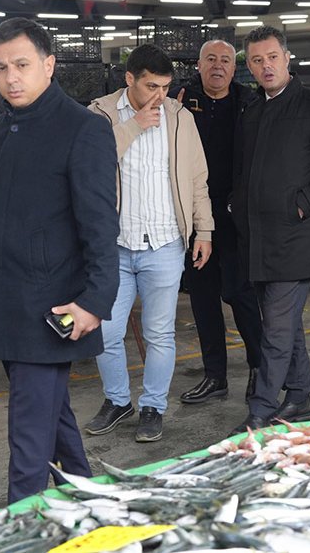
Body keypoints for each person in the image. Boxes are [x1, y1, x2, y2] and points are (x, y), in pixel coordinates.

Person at [0, 17, 120, 503]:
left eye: (22, 65)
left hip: (53, 307)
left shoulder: (83, 129)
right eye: (1, 68)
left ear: (49, 65)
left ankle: (21, 525)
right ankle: (90, 501)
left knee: (28, 437)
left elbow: (101, 227)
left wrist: (95, 302)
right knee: (52, 416)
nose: (11, 78)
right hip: (5, 300)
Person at [85, 44, 213, 443]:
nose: (160, 95)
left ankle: (153, 407)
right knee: (106, 332)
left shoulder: (180, 117)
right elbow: (89, 162)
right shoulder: (100, 113)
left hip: (165, 243)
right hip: (115, 246)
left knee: (160, 334)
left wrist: (204, 230)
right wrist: (135, 125)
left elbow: (197, 178)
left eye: (165, 87)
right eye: (151, 86)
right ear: (130, 79)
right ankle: (117, 400)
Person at [229, 25, 310, 434]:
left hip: (294, 239)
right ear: (249, 66)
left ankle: (261, 409)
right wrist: (236, 205)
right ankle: (300, 397)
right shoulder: (252, 111)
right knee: (285, 325)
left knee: (276, 330)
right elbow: (244, 171)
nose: (266, 66)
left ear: (286, 58)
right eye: (257, 60)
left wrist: (303, 203)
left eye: (272, 58)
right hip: (257, 238)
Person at [170, 40, 264, 405]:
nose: (218, 66)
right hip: (195, 215)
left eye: (225, 60)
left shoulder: (249, 102)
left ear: (234, 67)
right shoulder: (180, 100)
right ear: (199, 64)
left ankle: (259, 369)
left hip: (235, 216)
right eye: (211, 59)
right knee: (203, 297)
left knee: (240, 293)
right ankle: (215, 376)